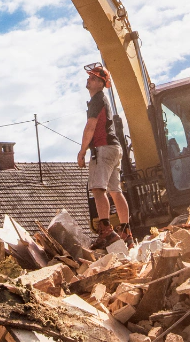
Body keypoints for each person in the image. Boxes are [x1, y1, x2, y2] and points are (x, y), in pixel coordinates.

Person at [77, 63, 131, 249]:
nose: (88, 80)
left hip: (103, 148)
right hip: (115, 149)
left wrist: (82, 151)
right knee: (115, 191)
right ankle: (126, 231)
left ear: (101, 83)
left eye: (92, 78)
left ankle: (106, 230)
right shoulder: (102, 99)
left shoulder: (97, 100)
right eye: (89, 77)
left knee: (98, 190)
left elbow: (90, 127)